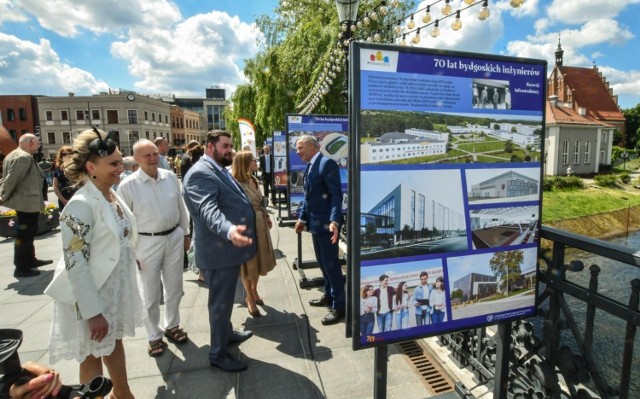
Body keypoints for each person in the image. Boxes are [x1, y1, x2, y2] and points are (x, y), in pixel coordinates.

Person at [44, 127, 144, 399]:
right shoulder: (80, 204)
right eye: (113, 163)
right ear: (91, 166)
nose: (120, 168)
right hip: (89, 294)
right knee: (91, 352)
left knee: (112, 343)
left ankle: (123, 393)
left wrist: (133, 257)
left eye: (121, 161)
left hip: (111, 286)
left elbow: (118, 236)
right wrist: (92, 311)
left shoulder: (110, 193)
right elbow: (74, 260)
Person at [182, 130, 256, 372]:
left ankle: (228, 334)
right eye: (225, 145)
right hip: (219, 251)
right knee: (220, 305)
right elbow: (208, 210)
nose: (230, 150)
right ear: (209, 147)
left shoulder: (218, 167)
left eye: (231, 145)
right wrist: (229, 230)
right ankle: (218, 353)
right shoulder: (200, 174)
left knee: (224, 302)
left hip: (227, 251)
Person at [117, 139, 191, 357]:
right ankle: (153, 335)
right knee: (150, 292)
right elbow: (124, 221)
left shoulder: (169, 178)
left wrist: (185, 233)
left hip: (173, 238)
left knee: (175, 287)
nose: (152, 158)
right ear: (136, 159)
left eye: (154, 154)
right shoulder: (127, 185)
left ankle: (172, 325)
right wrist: (132, 251)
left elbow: (180, 206)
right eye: (146, 155)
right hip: (146, 242)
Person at [294, 135, 345, 326]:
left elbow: (335, 195)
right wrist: (302, 218)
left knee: (332, 266)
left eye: (300, 148)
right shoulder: (310, 166)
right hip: (315, 225)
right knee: (323, 264)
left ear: (311, 147)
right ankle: (329, 295)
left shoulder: (326, 164)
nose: (297, 152)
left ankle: (340, 305)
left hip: (326, 226)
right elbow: (309, 197)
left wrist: (334, 220)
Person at [0, 133, 51, 278]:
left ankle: (30, 260)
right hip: (26, 203)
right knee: (24, 234)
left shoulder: (11, 155)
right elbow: (11, 179)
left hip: (25, 202)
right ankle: (21, 267)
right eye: (38, 143)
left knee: (28, 232)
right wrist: (3, 196)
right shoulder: (23, 157)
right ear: (31, 143)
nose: (39, 146)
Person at [232, 151, 276, 317]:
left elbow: (260, 202)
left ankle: (255, 291)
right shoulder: (236, 183)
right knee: (248, 264)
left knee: (259, 261)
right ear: (245, 163)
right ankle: (249, 297)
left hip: (260, 224)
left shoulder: (254, 179)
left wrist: (266, 216)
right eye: (253, 160)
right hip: (246, 226)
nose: (256, 162)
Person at [52, 146, 76, 210]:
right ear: (61, 156)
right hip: (64, 197)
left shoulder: (78, 167)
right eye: (64, 154)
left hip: (77, 196)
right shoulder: (58, 169)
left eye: (69, 153)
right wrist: (63, 200)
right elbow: (55, 186)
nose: (67, 156)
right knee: (66, 219)